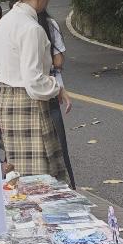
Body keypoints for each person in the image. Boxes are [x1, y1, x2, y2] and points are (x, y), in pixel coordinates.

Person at [0, 0, 66, 179]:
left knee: (20, 174)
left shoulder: (5, 22)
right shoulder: (31, 28)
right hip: (28, 106)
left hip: (7, 102)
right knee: (41, 177)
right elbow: (34, 83)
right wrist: (56, 86)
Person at [40, 10, 75, 185]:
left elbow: (58, 62)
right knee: (57, 148)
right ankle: (65, 187)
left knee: (51, 150)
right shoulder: (47, 24)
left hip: (41, 94)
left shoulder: (47, 24)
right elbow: (58, 61)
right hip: (48, 92)